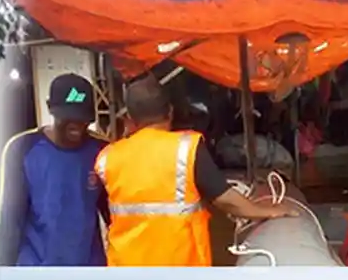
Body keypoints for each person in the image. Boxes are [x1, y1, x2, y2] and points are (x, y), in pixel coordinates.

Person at [94, 75, 296, 267]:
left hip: (127, 277)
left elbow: (105, 210)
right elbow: (225, 200)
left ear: (130, 118)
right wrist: (267, 212)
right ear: (170, 111)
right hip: (182, 276)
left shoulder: (107, 158)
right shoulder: (186, 148)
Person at [0, 73, 110, 267]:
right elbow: (10, 222)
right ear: (50, 108)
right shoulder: (22, 148)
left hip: (89, 272)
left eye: (83, 119)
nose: (77, 126)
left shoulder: (101, 151)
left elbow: (113, 217)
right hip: (36, 273)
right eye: (68, 118)